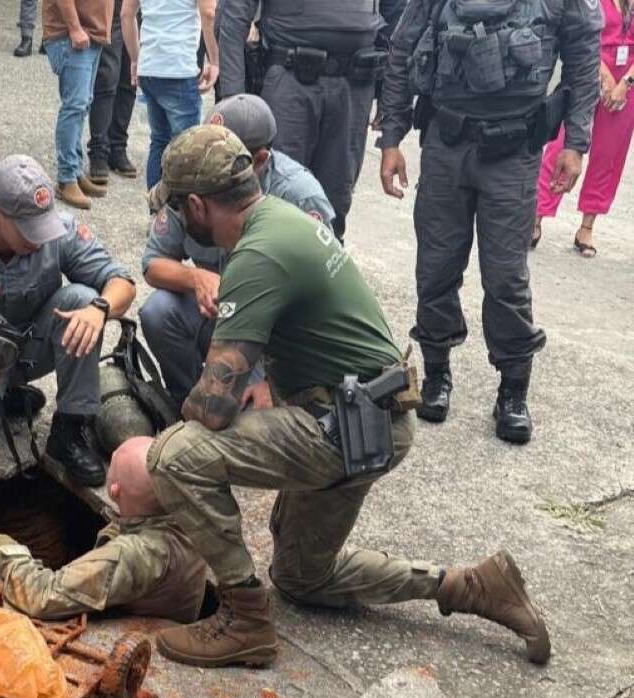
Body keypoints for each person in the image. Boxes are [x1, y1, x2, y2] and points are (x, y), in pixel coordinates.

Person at [143, 126, 551, 669]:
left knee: (174, 457)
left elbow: (212, 409)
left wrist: (172, 438)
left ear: (197, 204)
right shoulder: (282, 220)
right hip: (366, 418)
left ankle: (245, 620)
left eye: (178, 206)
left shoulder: (258, 254)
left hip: (344, 425)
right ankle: (470, 586)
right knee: (299, 577)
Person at [378, 0, 602, 444]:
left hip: (514, 152)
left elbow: (583, 55)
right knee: (436, 267)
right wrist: (391, 137)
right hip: (446, 143)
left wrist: (576, 144)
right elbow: (402, 49)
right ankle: (437, 375)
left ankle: (513, 392)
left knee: (506, 277)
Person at [0, 155, 135, 485]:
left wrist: (99, 309)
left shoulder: (58, 231)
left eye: (43, 224)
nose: (40, 238)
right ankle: (2, 395)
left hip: (31, 346)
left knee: (83, 299)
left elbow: (123, 282)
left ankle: (70, 428)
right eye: (28, 230)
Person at [140, 93, 334, 408]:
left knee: (251, 417)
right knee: (158, 311)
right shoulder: (196, 175)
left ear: (258, 160)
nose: (206, 156)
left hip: (272, 332)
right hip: (217, 313)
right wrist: (195, 277)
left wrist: (273, 382)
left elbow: (323, 301)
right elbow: (152, 263)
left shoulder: (299, 197)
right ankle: (185, 403)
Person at [0, 436, 209, 622]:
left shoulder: (135, 553)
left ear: (113, 490)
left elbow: (43, 596)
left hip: (145, 629)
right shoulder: (188, 507)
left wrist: (7, 550)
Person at [217, 0, 401, 239]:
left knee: (334, 204)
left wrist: (387, 92)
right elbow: (233, 15)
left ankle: (323, 270)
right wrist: (234, 100)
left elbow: (396, 14)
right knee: (273, 195)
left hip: (354, 85)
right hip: (289, 80)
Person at [533, 0, 634, 258]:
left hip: (627, 83)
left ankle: (586, 228)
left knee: (609, 156)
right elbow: (580, 36)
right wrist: (605, 76)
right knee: (562, 146)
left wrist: (626, 82)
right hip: (591, 71)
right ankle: (536, 216)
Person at [121, 0, 218, 188]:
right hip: (179, 68)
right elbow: (208, 14)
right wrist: (214, 60)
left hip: (150, 67)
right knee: (186, 149)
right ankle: (178, 213)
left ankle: (156, 210)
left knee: (159, 140)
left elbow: (126, 14)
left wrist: (135, 59)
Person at [44, 0, 115, 209]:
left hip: (89, 35)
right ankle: (66, 178)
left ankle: (74, 171)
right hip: (73, 36)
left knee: (82, 105)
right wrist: (74, 28)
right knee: (75, 107)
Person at [87, 0, 139, 184]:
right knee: (107, 77)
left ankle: (117, 147)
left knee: (130, 77)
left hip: (139, 8)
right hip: (111, 7)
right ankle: (99, 151)